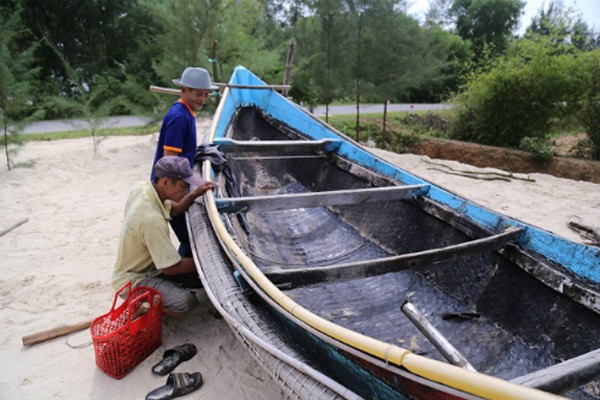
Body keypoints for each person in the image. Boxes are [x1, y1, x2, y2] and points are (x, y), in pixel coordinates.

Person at [113, 156, 215, 316]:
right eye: (183, 186)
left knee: (196, 278)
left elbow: (173, 209)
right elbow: (170, 268)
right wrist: (210, 260)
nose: (185, 190)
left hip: (147, 268)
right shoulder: (151, 219)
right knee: (185, 302)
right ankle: (142, 307)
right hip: (134, 280)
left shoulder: (143, 188)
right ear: (166, 182)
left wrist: (195, 194)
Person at [151, 67, 218, 258]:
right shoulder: (179, 117)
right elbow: (169, 164)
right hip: (170, 188)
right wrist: (198, 183)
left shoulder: (186, 112)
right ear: (184, 90)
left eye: (206, 95)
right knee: (187, 237)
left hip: (178, 184)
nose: (202, 99)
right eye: (198, 94)